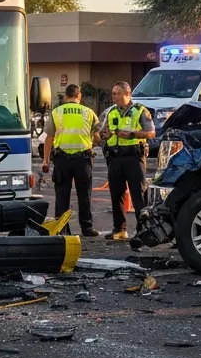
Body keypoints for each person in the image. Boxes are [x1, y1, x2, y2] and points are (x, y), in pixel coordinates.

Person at [41, 84, 101, 237]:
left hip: (62, 160)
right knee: (84, 194)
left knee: (62, 195)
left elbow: (49, 138)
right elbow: (97, 137)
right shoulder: (89, 113)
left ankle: (61, 229)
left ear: (65, 97)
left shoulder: (57, 112)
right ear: (79, 97)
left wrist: (45, 161)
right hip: (83, 159)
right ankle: (87, 228)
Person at [100, 81, 155, 241]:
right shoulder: (111, 112)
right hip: (115, 157)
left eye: (117, 93)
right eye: (113, 94)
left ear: (127, 94)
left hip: (134, 156)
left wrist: (132, 134)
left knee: (138, 194)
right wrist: (105, 135)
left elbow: (151, 133)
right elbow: (103, 132)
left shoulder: (140, 111)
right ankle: (119, 229)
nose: (113, 97)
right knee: (116, 194)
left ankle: (142, 230)